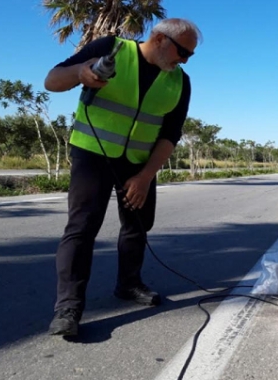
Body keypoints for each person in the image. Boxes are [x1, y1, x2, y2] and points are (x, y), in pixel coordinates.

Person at [44, 18, 201, 336]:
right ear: (158, 39)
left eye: (190, 55)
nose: (184, 60)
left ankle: (129, 284)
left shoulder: (180, 82)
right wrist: (79, 73)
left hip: (140, 163)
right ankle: (68, 309)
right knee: (82, 228)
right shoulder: (109, 49)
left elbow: (170, 134)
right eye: (182, 51)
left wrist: (145, 177)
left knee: (138, 225)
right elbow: (51, 81)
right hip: (93, 155)